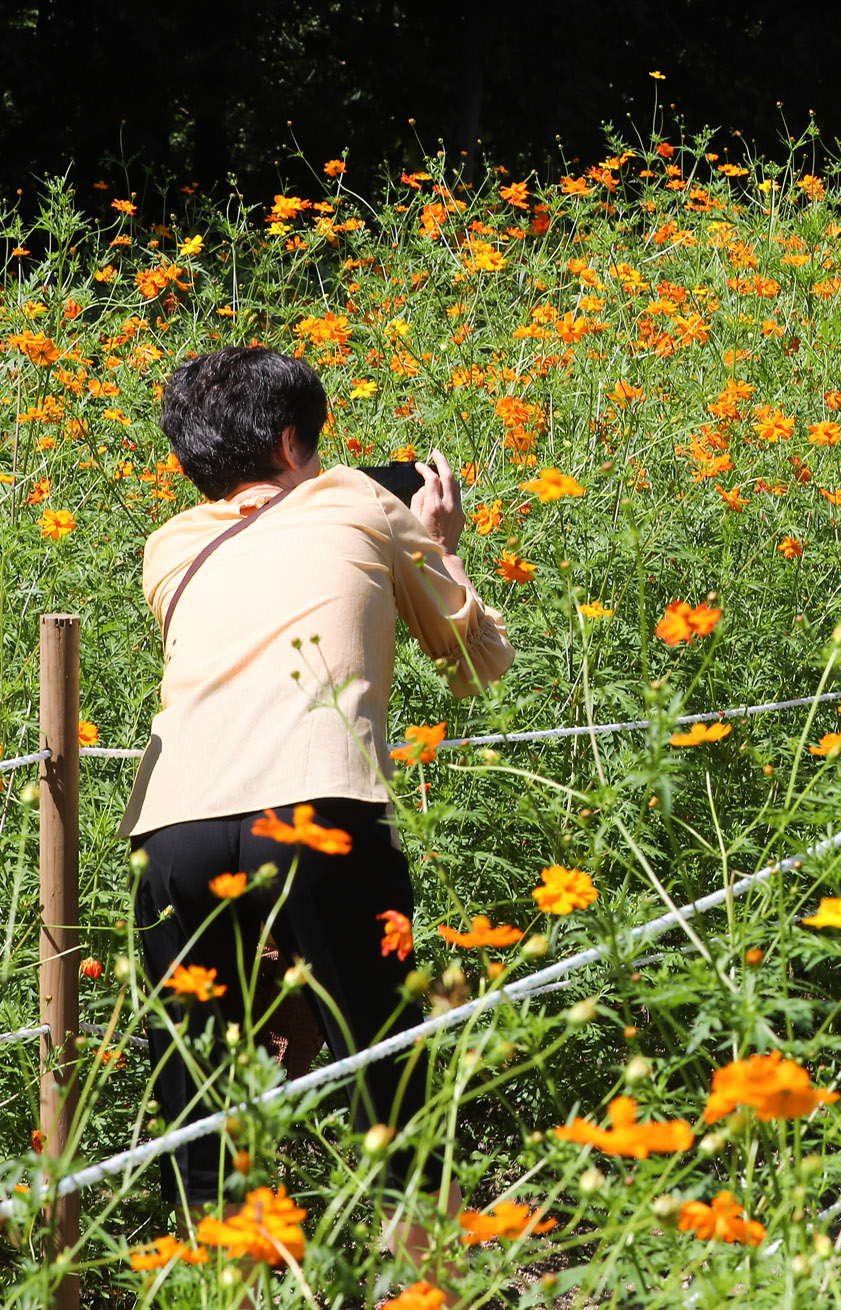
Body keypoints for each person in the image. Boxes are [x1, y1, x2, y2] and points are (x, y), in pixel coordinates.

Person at [123, 346, 513, 1263]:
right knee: (386, 1063)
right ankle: (429, 1279)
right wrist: (441, 542)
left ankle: (232, 1284)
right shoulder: (360, 501)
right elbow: (475, 662)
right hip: (317, 805)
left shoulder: (170, 548)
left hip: (174, 830)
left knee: (201, 1091)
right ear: (294, 441)